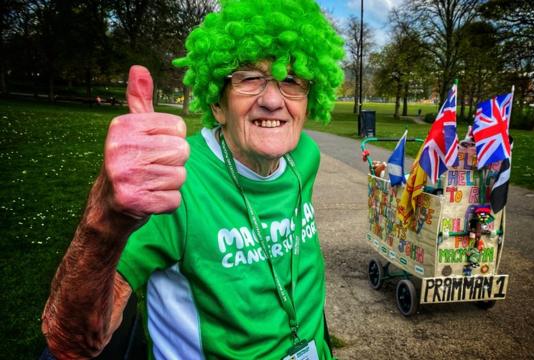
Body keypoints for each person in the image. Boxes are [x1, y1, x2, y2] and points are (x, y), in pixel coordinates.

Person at [40, 0, 345, 358]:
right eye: (249, 78)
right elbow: (71, 342)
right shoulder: (171, 184)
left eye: (291, 80)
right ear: (218, 103)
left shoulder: (304, 156)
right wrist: (104, 218)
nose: (273, 100)